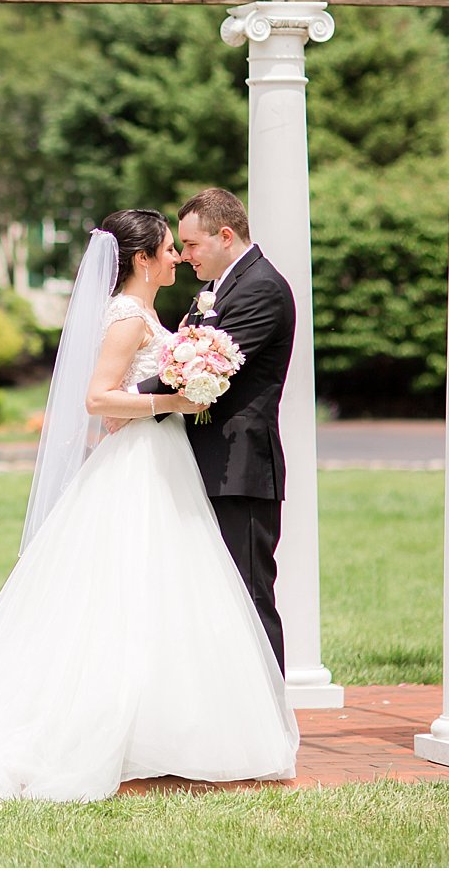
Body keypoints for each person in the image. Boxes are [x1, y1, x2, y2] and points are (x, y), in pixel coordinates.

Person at [0, 208, 297, 804]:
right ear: (142, 260)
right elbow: (97, 399)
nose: (178, 257)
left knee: (167, 599)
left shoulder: (160, 313)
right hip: (142, 464)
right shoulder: (128, 317)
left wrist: (176, 393)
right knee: (123, 596)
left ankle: (170, 729)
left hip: (166, 464)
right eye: (168, 248)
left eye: (184, 246)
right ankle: (116, 731)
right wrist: (176, 401)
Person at [138, 187, 294, 676]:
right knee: (210, 596)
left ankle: (269, 719)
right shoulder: (221, 287)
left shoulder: (261, 288)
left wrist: (128, 399)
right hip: (202, 462)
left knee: (247, 593)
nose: (184, 258)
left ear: (226, 236)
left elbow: (207, 366)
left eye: (192, 246)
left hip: (240, 468)